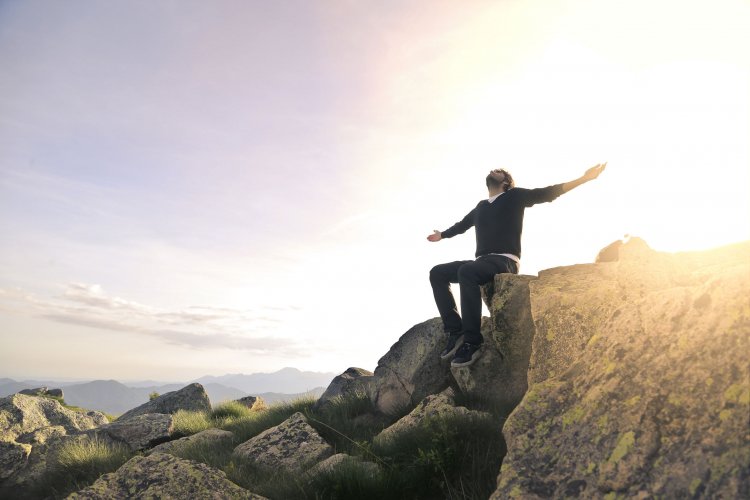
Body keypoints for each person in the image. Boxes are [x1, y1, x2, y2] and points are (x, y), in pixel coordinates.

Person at [427, 163, 607, 367]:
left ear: (506, 182)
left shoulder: (514, 196)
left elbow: (548, 193)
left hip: (505, 260)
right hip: (482, 261)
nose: (493, 169)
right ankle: (455, 330)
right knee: (437, 273)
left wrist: (584, 179)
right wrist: (441, 235)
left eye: (499, 170)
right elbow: (461, 226)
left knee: (466, 272)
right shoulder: (481, 207)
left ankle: (472, 342)